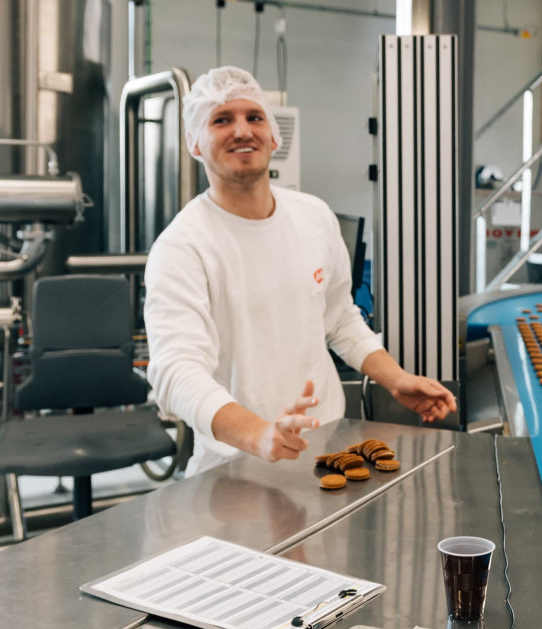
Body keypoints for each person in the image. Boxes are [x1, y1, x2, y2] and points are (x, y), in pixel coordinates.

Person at [144, 66, 456, 475]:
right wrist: (258, 434)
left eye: (254, 117)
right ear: (195, 144)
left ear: (274, 135)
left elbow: (340, 318)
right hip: (234, 467)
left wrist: (395, 379)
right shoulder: (182, 246)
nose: (242, 131)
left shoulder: (314, 216)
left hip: (328, 452)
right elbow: (175, 372)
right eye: (221, 120)